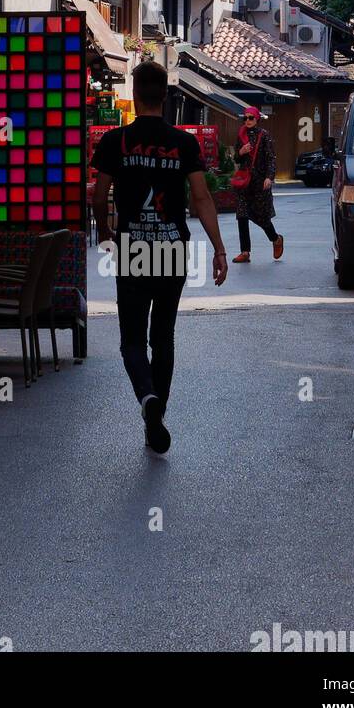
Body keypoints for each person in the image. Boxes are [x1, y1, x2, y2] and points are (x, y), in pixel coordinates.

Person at [91, 60, 227, 456]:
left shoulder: (114, 142)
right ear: (164, 97)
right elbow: (201, 198)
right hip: (172, 248)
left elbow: (99, 197)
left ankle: (147, 399)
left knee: (131, 340)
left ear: (135, 96)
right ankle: (158, 416)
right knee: (162, 337)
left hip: (133, 248)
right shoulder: (185, 144)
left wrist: (103, 229)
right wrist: (219, 249)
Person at [232, 105, 283, 263]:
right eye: (245, 118)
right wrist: (241, 152)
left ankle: (276, 239)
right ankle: (245, 252)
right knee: (242, 215)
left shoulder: (264, 135)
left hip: (260, 182)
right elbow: (236, 158)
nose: (247, 120)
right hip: (244, 182)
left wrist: (269, 177)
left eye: (250, 118)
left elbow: (271, 158)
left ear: (257, 119)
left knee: (261, 216)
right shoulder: (241, 135)